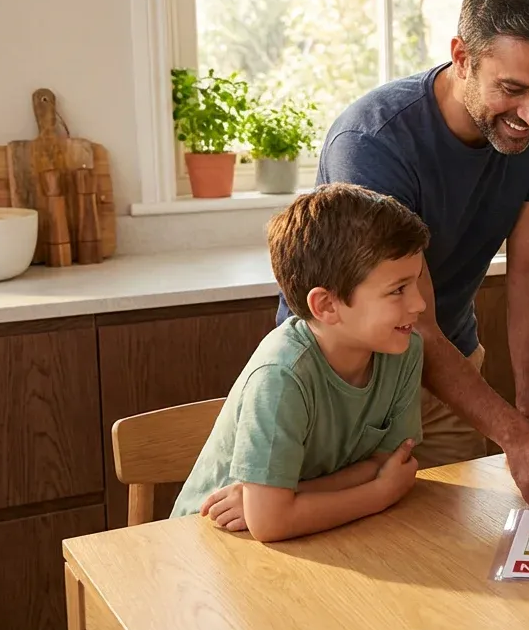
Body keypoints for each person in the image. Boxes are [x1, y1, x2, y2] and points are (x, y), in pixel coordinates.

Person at [274, 0, 529, 517]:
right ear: (462, 56)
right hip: (342, 383)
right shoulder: (374, 142)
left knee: (455, 550)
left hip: (449, 364)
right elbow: (410, 313)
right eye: (513, 89)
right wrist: (516, 438)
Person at [172, 183, 431, 541]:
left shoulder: (403, 350)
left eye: (416, 283)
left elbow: (389, 463)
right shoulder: (281, 375)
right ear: (326, 306)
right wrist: (379, 493)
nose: (419, 304)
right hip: (208, 543)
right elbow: (271, 524)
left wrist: (291, 496)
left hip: (309, 534)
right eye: (398, 290)